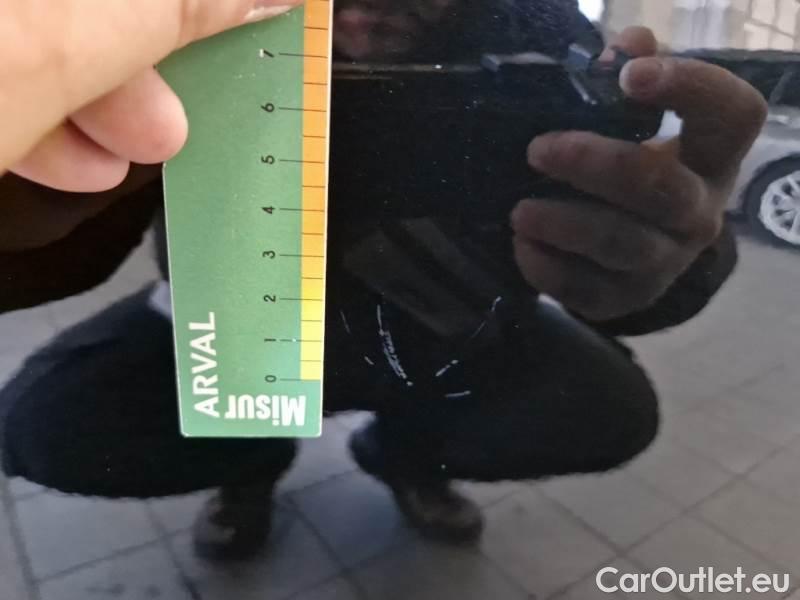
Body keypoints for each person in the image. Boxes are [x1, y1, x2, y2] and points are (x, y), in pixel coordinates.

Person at [0, 0, 766, 560]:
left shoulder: (532, 23)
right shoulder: (196, 24)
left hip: (446, 334)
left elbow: (626, 209)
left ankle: (402, 455)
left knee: (612, 412)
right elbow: (71, 239)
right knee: (41, 426)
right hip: (233, 336)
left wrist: (676, 251)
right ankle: (255, 459)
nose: (364, 15)